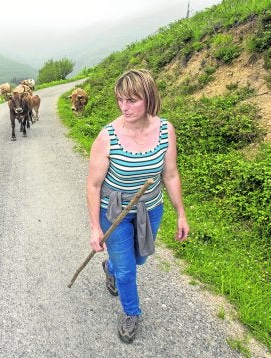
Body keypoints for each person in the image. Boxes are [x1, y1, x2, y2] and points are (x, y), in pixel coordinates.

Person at [85, 69, 189, 343]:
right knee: (128, 270)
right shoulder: (108, 136)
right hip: (115, 213)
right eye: (120, 99)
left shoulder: (165, 130)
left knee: (140, 257)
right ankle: (131, 313)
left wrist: (181, 214)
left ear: (149, 98)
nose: (124, 106)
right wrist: (96, 228)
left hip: (150, 209)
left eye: (131, 100)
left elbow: (171, 174)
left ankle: (111, 268)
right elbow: (93, 185)